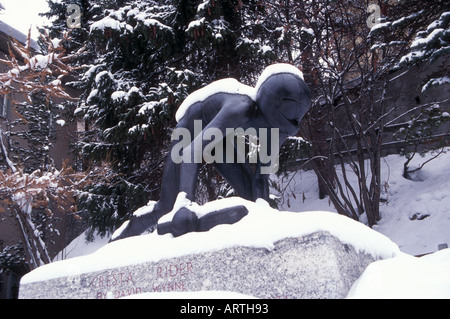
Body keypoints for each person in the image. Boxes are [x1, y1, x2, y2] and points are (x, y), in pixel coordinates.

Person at [111, 63, 311, 241]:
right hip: (191, 127)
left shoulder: (279, 129)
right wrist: (184, 203)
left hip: (218, 138)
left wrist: (262, 208)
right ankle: (121, 238)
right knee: (167, 206)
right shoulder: (239, 108)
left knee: (250, 195)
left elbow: (260, 177)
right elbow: (192, 152)